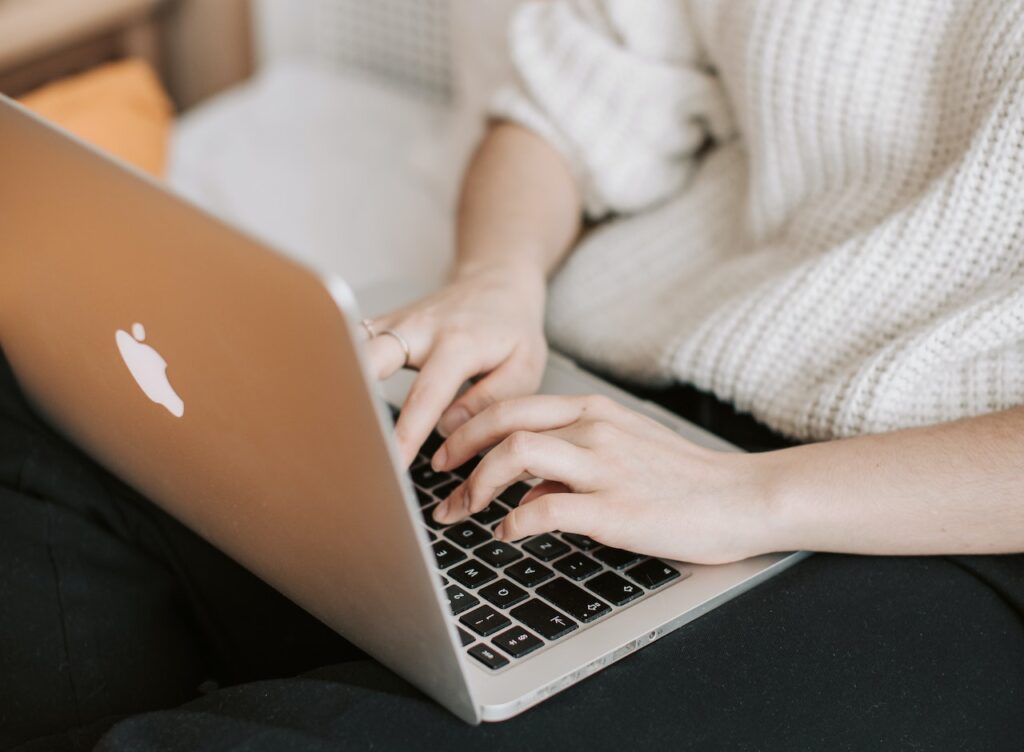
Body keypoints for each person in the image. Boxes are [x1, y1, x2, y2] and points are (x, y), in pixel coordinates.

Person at [3, 1, 1024, 749]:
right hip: (626, 402)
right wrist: (496, 282)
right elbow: (573, 100)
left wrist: (749, 497)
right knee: (39, 418)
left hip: (939, 523)